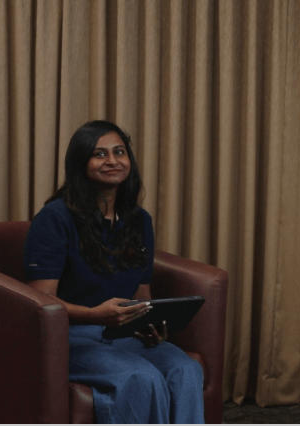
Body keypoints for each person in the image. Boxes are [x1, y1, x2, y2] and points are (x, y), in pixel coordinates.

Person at [23, 120, 205, 424]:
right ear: (81, 163)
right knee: (143, 377)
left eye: (119, 152)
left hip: (122, 333)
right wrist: (95, 315)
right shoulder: (54, 218)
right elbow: (41, 303)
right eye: (100, 154)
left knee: (185, 369)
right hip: (70, 338)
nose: (112, 160)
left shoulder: (139, 220)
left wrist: (151, 323)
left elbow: (141, 293)